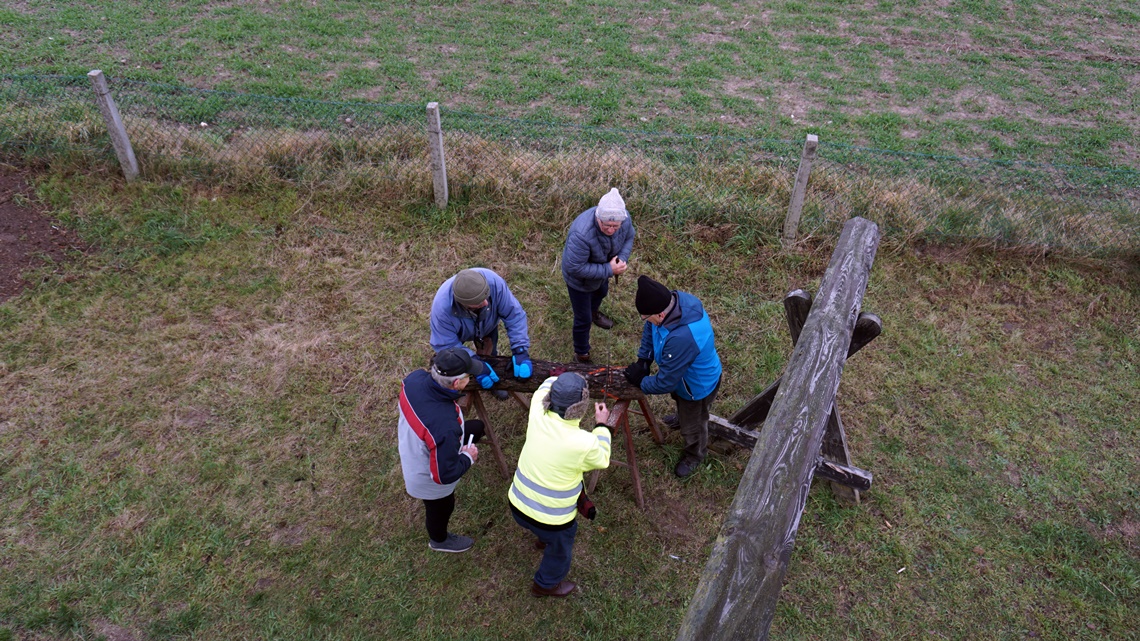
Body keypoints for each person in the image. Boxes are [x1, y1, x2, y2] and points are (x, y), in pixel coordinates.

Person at [508, 372, 612, 597]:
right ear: (580, 409)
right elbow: (603, 458)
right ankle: (546, 584)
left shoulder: (537, 410)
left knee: (542, 529)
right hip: (553, 521)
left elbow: (544, 387)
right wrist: (602, 426)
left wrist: (559, 377)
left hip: (517, 504)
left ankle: (542, 539)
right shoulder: (584, 443)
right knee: (561, 550)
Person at [624, 275, 722, 478]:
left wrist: (640, 382)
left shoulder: (683, 337)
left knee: (694, 426)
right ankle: (681, 418)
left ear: (660, 314)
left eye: (646, 316)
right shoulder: (670, 304)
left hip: (696, 387)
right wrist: (644, 359)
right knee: (681, 404)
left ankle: (695, 455)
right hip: (683, 381)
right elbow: (650, 329)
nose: (645, 321)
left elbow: (666, 382)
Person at [397, 347, 486, 553]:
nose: (470, 378)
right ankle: (439, 540)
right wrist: (467, 458)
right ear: (457, 383)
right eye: (468, 376)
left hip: (419, 441)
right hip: (426, 475)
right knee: (441, 507)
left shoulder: (414, 380)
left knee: (476, 428)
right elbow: (443, 475)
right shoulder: (445, 427)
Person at [429, 267, 534, 399]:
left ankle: (495, 383)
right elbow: (446, 343)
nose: (485, 303)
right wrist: (473, 364)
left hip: (487, 325)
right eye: (478, 302)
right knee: (455, 360)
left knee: (491, 351)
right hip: (458, 332)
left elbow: (514, 315)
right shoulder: (443, 309)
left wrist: (520, 350)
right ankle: (462, 385)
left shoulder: (494, 283)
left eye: (486, 296)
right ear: (464, 304)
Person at [561, 188, 635, 363]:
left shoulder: (625, 219)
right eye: (606, 225)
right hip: (579, 282)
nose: (610, 229)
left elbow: (629, 237)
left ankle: (594, 312)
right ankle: (581, 353)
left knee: (601, 292)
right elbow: (575, 267)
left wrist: (620, 259)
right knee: (582, 319)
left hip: (602, 272)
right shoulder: (581, 234)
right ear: (597, 217)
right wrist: (610, 270)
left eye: (615, 226)